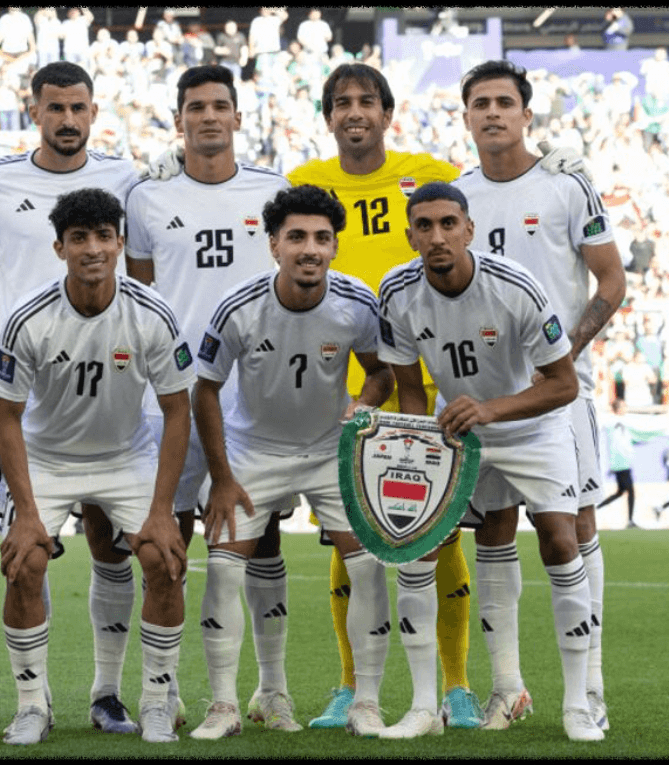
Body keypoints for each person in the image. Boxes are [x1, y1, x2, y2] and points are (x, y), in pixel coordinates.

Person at [0, 61, 141, 735]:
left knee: (114, 549)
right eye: (54, 107)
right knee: (24, 556)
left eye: (78, 107)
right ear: (33, 111)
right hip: (27, 405)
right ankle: (33, 703)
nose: (67, 119)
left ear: (94, 113)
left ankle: (107, 694)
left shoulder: (126, 180)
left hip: (112, 401)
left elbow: (144, 271)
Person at [285, 62, 479, 730]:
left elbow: (481, 205)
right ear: (328, 117)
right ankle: (350, 686)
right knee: (351, 542)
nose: (354, 111)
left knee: (441, 537)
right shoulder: (305, 183)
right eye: (342, 102)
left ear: (388, 113)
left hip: (425, 388)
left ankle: (457, 686)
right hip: (350, 396)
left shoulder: (427, 171)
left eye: (367, 100)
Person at [380, 181, 602, 743]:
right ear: (410, 236)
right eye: (424, 226)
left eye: (448, 224)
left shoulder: (515, 286)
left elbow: (564, 385)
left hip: (533, 426)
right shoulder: (397, 292)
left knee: (560, 541)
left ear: (469, 229)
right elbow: (411, 388)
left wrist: (490, 409)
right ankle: (441, 703)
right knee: (426, 545)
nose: (437, 236)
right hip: (459, 430)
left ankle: (579, 702)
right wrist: (420, 449)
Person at [452, 59, 626, 732]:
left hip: (558, 394)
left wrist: (565, 355)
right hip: (484, 397)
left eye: (504, 102)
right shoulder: (458, 196)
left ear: (526, 114)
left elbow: (610, 280)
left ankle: (591, 687)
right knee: (493, 530)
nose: (493, 112)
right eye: (481, 103)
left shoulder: (566, 183)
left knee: (572, 528)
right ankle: (508, 687)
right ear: (467, 117)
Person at [192, 185, 402, 738]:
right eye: (297, 237)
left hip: (328, 451)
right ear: (274, 245)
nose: (310, 249)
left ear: (335, 246)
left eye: (322, 238)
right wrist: (222, 476)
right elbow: (205, 389)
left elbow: (381, 372)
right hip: (253, 453)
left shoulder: (357, 302)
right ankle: (229, 704)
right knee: (223, 568)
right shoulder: (238, 307)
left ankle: (367, 702)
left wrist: (365, 403)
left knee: (368, 566)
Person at [0, 187, 194, 744]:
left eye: (104, 236)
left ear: (120, 243)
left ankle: (155, 701)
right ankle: (32, 706)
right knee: (24, 562)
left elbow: (178, 411)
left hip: (125, 456)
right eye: (79, 238)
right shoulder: (29, 318)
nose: (93, 249)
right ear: (59, 248)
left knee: (164, 560)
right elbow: (6, 416)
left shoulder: (152, 313)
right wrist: (26, 512)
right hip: (48, 459)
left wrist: (161, 510)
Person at [125, 64, 294, 732]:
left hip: (251, 401)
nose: (209, 117)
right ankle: (163, 690)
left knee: (261, 538)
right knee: (167, 542)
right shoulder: (147, 198)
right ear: (179, 121)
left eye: (220, 105)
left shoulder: (273, 190)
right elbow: (142, 295)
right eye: (195, 107)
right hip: (170, 399)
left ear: (238, 118)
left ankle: (271, 689)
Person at [597, 399, 638, 526]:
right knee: (630, 491)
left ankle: (596, 509)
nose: (626, 409)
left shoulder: (620, 422)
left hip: (622, 462)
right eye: (624, 406)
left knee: (621, 492)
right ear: (618, 409)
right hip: (621, 462)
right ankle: (630, 520)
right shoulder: (613, 421)